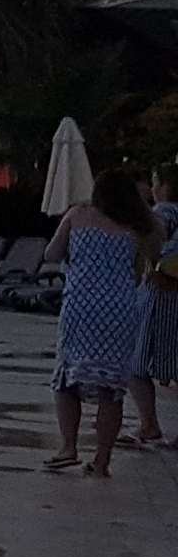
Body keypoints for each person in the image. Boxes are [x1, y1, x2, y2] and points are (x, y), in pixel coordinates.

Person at [46, 167, 163, 477]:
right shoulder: (137, 228)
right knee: (110, 388)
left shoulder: (77, 215)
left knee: (66, 379)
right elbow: (140, 271)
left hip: (81, 307)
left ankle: (68, 447)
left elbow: (51, 253)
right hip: (120, 312)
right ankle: (101, 461)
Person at [125, 164, 178, 451]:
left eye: (155, 181)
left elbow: (146, 243)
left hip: (161, 296)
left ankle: (149, 424)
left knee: (137, 362)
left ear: (165, 186)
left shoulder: (163, 212)